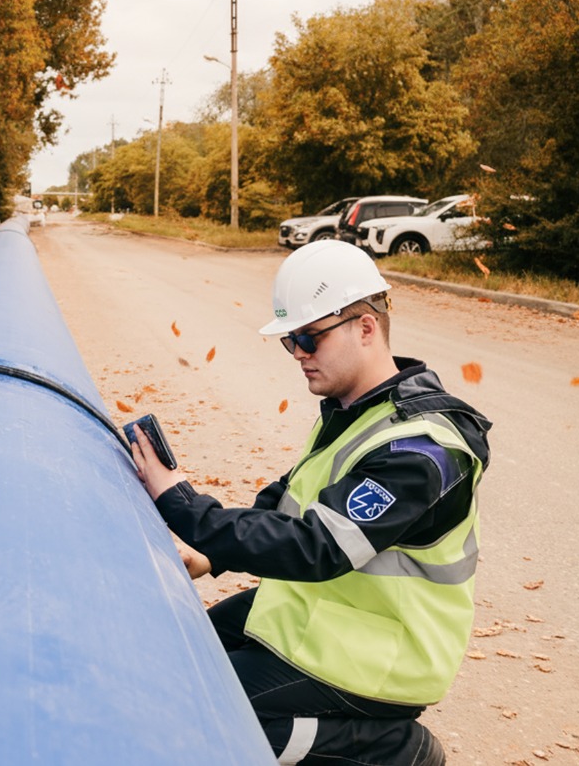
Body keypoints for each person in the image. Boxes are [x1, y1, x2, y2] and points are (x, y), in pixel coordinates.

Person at [130, 239, 492, 765]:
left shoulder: (424, 448)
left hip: (384, 653)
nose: (298, 353)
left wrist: (181, 502)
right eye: (290, 341)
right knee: (179, 652)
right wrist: (213, 557)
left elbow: (316, 546)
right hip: (319, 616)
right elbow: (287, 501)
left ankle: (394, 752)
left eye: (308, 337)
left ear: (366, 328)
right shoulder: (357, 408)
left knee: (198, 709)